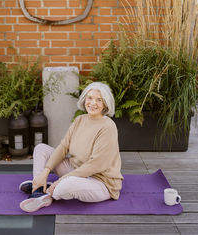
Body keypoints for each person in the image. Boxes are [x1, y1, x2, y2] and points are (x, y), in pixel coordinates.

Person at [19, 82, 124, 212]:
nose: (92, 103)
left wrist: (62, 180)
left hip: (99, 182)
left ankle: (49, 194)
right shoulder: (80, 119)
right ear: (84, 98)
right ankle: (39, 186)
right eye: (90, 97)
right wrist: (45, 172)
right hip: (75, 169)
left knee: (67, 185)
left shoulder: (108, 127)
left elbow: (95, 165)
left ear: (105, 104)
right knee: (41, 148)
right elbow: (63, 147)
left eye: (99, 100)